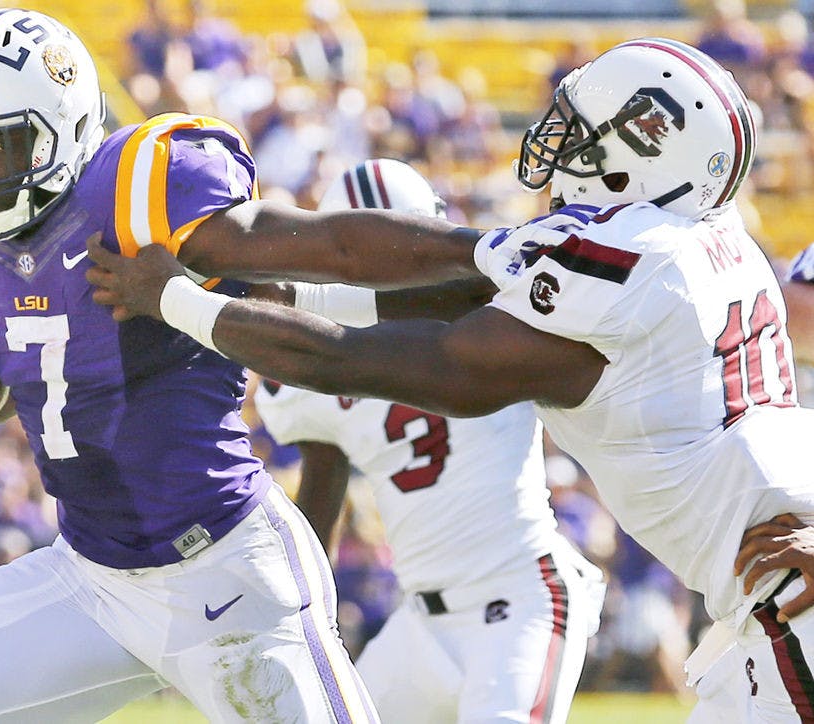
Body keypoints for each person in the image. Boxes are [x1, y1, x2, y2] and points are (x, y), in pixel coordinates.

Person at [85, 38, 814, 720]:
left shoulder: (627, 265)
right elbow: (439, 264)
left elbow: (396, 362)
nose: (559, 141)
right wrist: (277, 282)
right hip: (766, 602)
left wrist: (179, 300)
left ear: (641, 153)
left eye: (583, 129)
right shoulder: (702, 246)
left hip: (788, 606)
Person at [0, 9, 379, 722]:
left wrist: (471, 261)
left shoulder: (137, 189)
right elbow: (29, 372)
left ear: (56, 129)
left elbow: (318, 256)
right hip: (91, 577)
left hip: (227, 567)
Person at [254, 158, 605, 722]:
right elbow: (323, 487)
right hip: (418, 619)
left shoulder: (495, 312)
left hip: (520, 598)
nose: (384, 265)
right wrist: (302, 618)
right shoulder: (316, 357)